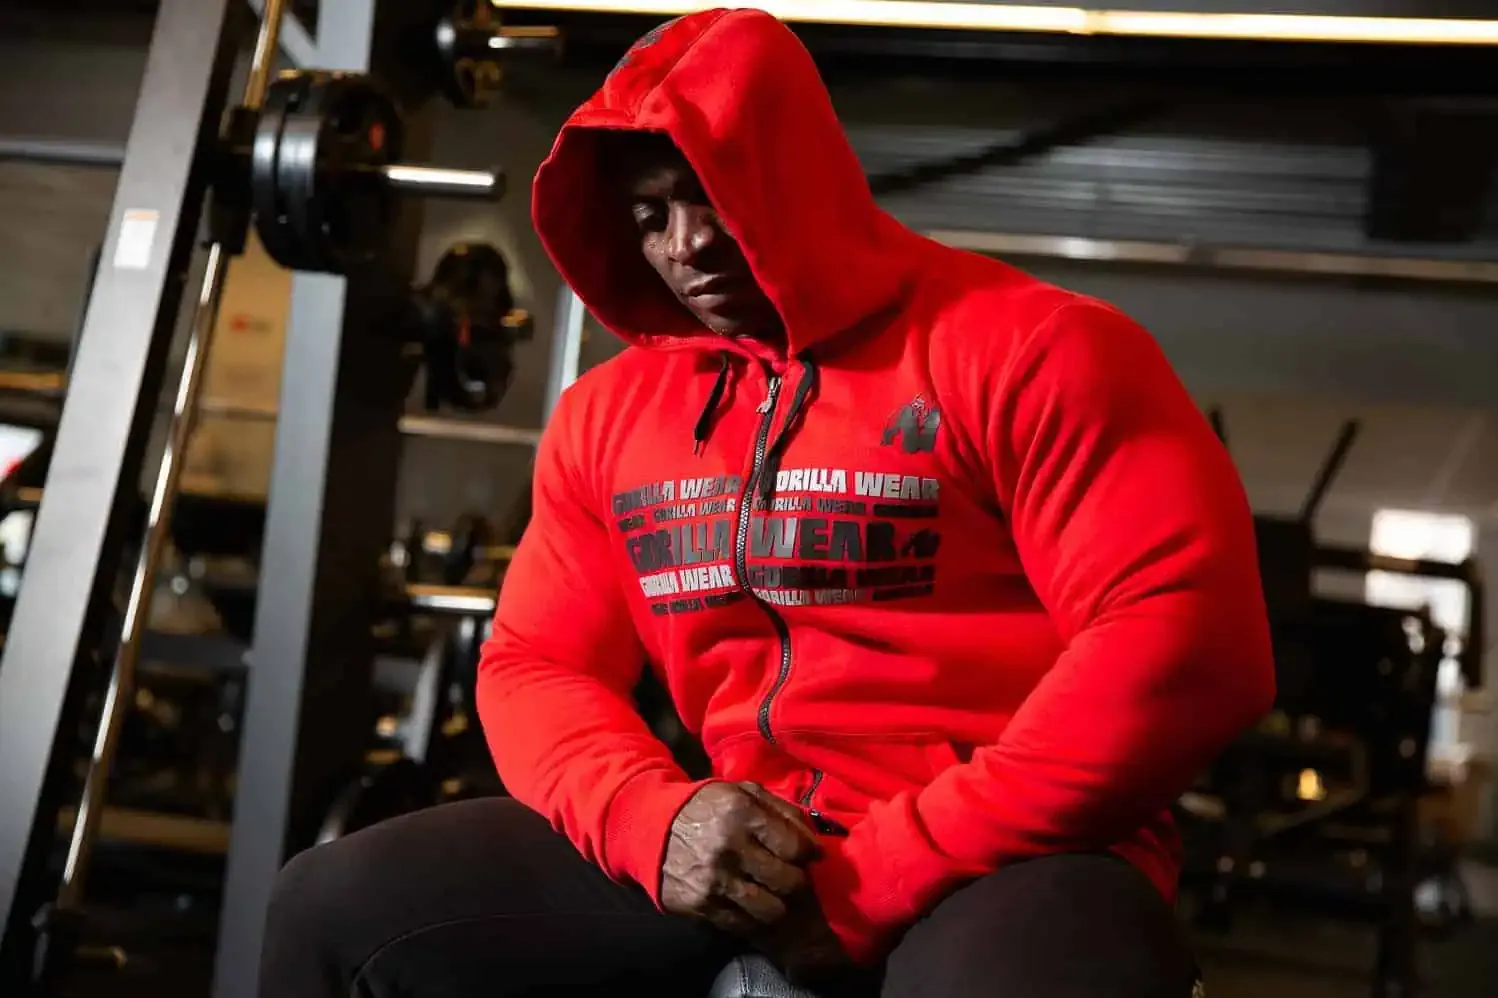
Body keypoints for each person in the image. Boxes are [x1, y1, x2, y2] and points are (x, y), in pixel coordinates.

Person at [258, 9, 1275, 997]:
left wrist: (886, 868)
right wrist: (654, 820)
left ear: (799, 176)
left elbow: (1185, 639)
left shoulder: (1031, 351)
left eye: (712, 195)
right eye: (650, 217)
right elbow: (536, 661)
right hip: (749, 843)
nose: (687, 244)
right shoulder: (608, 415)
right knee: (333, 908)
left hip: (1007, 850)